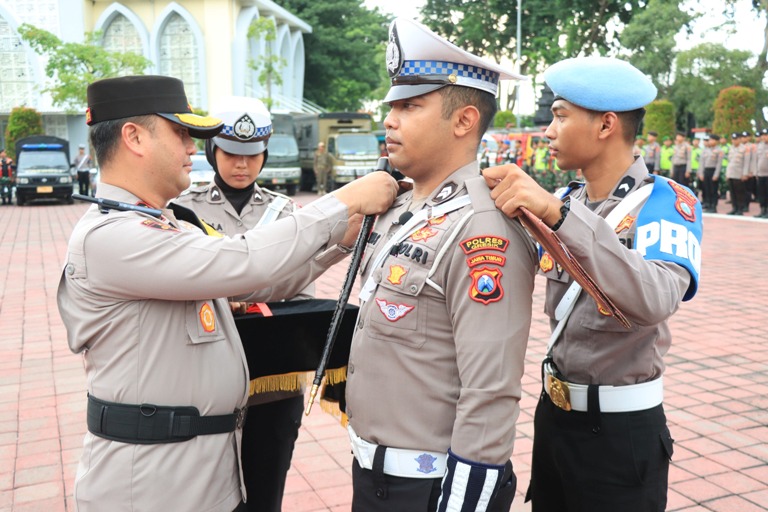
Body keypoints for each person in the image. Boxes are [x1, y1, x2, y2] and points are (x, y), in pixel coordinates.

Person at [56, 75, 397, 512]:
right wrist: (344, 201)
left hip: (201, 470)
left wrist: (340, 238)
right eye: (181, 134)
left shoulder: (161, 224)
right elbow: (243, 261)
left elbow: (252, 282)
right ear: (134, 137)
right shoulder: (114, 236)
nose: (191, 149)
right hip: (152, 485)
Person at [484, 56, 703, 512]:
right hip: (555, 419)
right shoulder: (566, 199)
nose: (548, 131)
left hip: (621, 432)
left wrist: (562, 219)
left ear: (606, 125)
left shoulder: (664, 202)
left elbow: (657, 298)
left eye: (560, 116)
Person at [345, 17, 537, 512]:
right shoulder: (404, 209)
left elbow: (490, 391)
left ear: (463, 121)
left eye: (410, 106)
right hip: (373, 474)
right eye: (392, 106)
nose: (389, 119)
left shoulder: (483, 228)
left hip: (427, 488)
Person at [173, 96, 316, 512]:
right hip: (206, 378)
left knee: (267, 488)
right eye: (232, 153)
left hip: (275, 378)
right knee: (206, 492)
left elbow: (300, 289)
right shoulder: (185, 209)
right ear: (211, 151)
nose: (242, 165)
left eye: (253, 156)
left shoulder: (287, 213)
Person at [699, 134, 724, 213]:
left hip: (713, 171)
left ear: (716, 141)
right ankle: (708, 204)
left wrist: (716, 174)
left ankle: (713, 206)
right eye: (709, 140)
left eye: (712, 140)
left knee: (713, 190)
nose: (710, 141)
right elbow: (702, 162)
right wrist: (701, 173)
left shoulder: (719, 151)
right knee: (707, 189)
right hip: (706, 171)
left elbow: (719, 164)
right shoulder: (705, 150)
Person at [725, 132, 748, 215]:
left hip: (739, 174)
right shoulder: (731, 148)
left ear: (740, 139)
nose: (734, 141)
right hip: (731, 173)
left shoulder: (744, 149)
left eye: (736, 139)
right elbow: (729, 162)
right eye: (733, 139)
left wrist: (745, 174)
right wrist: (727, 174)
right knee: (732, 192)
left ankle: (740, 209)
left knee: (740, 193)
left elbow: (746, 162)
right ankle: (734, 208)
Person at [755, 128, 768, 218]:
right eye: (762, 135)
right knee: (762, 193)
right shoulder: (760, 145)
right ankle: (763, 210)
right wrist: (756, 171)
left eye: (765, 135)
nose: (763, 137)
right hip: (761, 174)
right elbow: (756, 160)